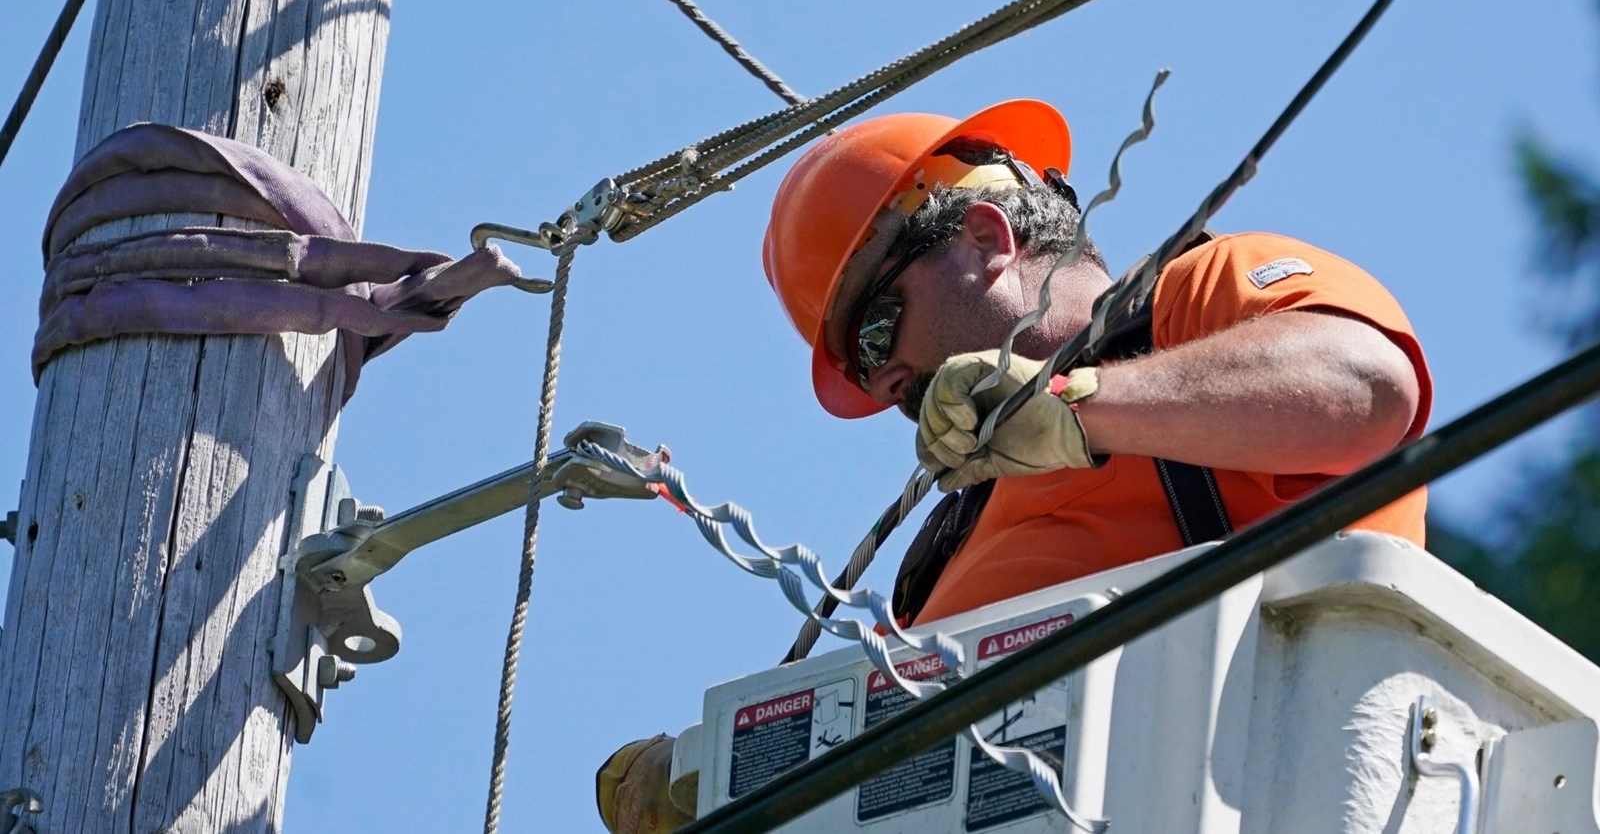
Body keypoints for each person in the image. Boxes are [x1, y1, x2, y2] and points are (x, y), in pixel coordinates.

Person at [595, 99, 1430, 832]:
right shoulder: (940, 556)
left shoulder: (1194, 303)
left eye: (876, 331)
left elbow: (1366, 388)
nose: (884, 384)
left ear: (986, 238)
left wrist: (1075, 407)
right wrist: (722, 774)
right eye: (858, 367)